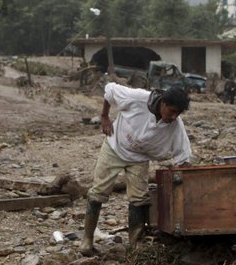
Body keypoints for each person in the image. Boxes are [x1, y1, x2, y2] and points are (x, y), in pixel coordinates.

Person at [80, 83, 192, 254]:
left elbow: (183, 155)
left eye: (178, 113)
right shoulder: (137, 98)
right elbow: (110, 90)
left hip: (139, 158)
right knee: (98, 192)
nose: (174, 116)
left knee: (139, 198)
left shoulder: (176, 125)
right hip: (115, 146)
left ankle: (135, 243)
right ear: (163, 103)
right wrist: (104, 116)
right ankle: (87, 240)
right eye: (172, 111)